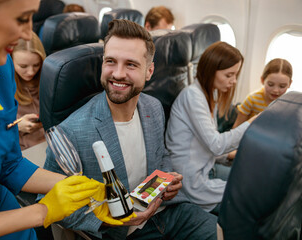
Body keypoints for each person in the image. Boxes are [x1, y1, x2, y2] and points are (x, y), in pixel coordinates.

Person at [0, 0, 124, 239]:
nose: (29, 33)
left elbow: (9, 164)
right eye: (22, 19)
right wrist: (42, 212)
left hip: (9, 219)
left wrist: (80, 188)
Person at [42, 19, 217, 240]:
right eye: (111, 62)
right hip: (121, 231)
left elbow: (161, 156)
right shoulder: (71, 132)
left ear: (149, 71)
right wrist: (105, 219)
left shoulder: (153, 108)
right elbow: (47, 201)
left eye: (131, 65)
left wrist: (166, 183)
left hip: (167, 211)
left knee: (219, 230)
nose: (118, 73)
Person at [165, 41, 258, 215]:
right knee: (247, 200)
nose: (234, 81)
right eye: (229, 75)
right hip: (192, 178)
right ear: (210, 70)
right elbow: (215, 144)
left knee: (250, 180)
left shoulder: (210, 93)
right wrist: (251, 123)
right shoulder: (193, 96)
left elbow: (208, 142)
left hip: (207, 166)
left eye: (235, 75)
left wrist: (229, 156)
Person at [232, 58, 293, 128]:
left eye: (282, 86)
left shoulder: (289, 106)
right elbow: (237, 127)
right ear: (262, 80)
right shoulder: (252, 99)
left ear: (290, 83)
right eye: (270, 84)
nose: (276, 90)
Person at [12, 31, 46, 150]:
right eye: (23, 66)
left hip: (50, 144)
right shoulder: (2, 87)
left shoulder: (49, 80)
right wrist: (16, 127)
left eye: (36, 65)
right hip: (22, 151)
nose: (31, 72)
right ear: (10, 61)